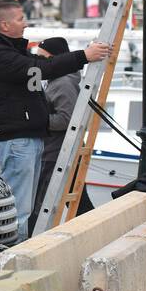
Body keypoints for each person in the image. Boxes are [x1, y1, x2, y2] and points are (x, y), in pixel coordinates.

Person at [0, 3, 112, 234]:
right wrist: (84, 56)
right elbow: (38, 69)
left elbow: (40, 67)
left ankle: (15, 255)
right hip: (17, 142)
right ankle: (12, 259)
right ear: (5, 25)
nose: (25, 23)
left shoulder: (9, 51)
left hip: (25, 140)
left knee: (23, 209)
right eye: (20, 19)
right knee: (18, 211)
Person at [30, 36, 96, 231]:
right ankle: (94, 231)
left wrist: (36, 121)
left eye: (42, 57)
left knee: (41, 204)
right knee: (79, 203)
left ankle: (35, 241)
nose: (39, 61)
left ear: (55, 58)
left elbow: (66, 120)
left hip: (57, 153)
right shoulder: (56, 80)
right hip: (63, 150)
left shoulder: (62, 83)